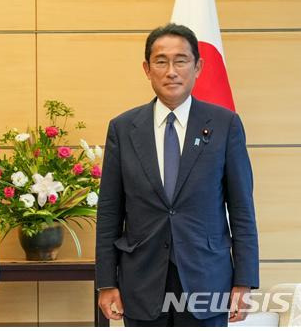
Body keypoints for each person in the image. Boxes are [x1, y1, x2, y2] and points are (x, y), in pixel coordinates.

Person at [95, 23, 259, 327]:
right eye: (161, 61)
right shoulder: (123, 128)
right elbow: (109, 213)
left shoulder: (225, 125)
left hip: (207, 280)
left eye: (181, 60)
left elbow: (241, 210)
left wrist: (244, 282)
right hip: (141, 281)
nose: (171, 71)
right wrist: (106, 282)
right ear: (147, 69)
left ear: (198, 67)